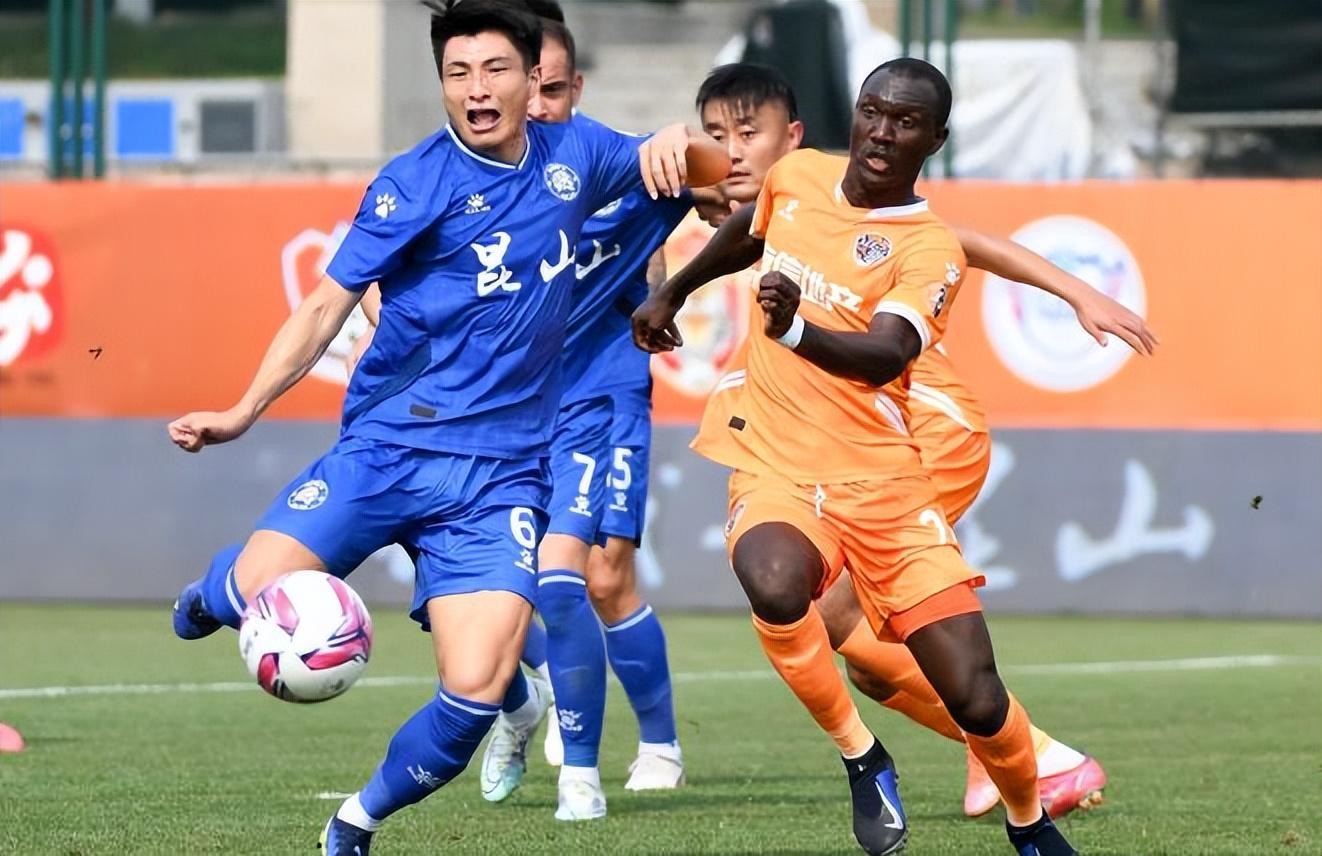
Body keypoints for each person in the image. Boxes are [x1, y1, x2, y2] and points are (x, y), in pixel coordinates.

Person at [165, 2, 729, 853]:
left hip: (500, 479)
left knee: (474, 691)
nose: (477, 90)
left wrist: (680, 143)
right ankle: (213, 592)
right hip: (389, 450)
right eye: (458, 74)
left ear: (534, 79)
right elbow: (324, 306)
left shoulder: (579, 154)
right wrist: (243, 410)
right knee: (249, 597)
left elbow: (719, 173)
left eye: (495, 70)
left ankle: (355, 822)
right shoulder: (412, 183)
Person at [634, 58, 1080, 856]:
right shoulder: (797, 178)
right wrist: (674, 289)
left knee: (975, 695)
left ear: (934, 140)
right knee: (775, 581)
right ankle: (865, 759)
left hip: (891, 474)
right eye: (872, 112)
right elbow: (747, 228)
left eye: (904, 122)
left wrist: (796, 327)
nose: (881, 131)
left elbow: (888, 351)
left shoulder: (927, 247)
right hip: (782, 463)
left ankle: (1029, 808)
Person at [352, 5, 691, 819]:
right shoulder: (459, 178)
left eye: (548, 88)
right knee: (465, 607)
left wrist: (668, 279)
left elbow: (719, 197)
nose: (531, 104)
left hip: (595, 399)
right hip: (484, 418)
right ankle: (519, 700)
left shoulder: (614, 165)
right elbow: (378, 284)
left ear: (571, 85)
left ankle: (623, 759)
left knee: (581, 580)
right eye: (517, 84)